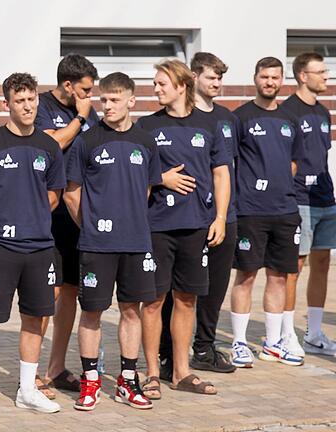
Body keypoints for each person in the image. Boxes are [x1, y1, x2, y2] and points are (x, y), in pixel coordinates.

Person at [0, 72, 64, 420]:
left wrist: (30, 221)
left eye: (32, 99)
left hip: (39, 248)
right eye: (20, 100)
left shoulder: (49, 147)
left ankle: (26, 390)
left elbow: (53, 195)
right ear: (6, 104)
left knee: (36, 318)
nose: (28, 106)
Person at [64, 72, 158, 411]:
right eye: (103, 100)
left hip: (136, 242)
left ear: (131, 101)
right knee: (91, 311)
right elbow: (71, 193)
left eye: (115, 100)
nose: (107, 106)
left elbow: (146, 190)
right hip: (96, 245)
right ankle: (90, 381)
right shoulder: (86, 141)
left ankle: (127, 381)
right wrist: (91, 227)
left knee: (131, 310)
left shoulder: (146, 142)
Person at [137, 59, 230, 398]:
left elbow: (221, 173)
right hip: (156, 227)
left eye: (162, 83)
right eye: (155, 83)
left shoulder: (211, 125)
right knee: (153, 300)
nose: (156, 89)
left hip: (196, 226)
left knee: (187, 299)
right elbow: (134, 175)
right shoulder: (146, 127)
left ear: (181, 86)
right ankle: (149, 373)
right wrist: (161, 178)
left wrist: (219, 217)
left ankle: (181, 371)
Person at [159, 53, 239, 376]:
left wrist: (224, 214)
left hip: (222, 216)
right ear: (192, 79)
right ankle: (168, 353)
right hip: (179, 220)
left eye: (220, 77)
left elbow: (227, 171)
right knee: (174, 292)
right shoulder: (163, 123)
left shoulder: (226, 119)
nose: (217, 83)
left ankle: (203, 347)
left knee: (214, 287)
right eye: (211, 77)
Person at [229, 57, 305, 367]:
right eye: (264, 77)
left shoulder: (289, 119)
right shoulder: (241, 118)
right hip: (251, 211)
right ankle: (238, 343)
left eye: (275, 77)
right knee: (246, 276)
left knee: (279, 277)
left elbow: (293, 161)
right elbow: (228, 164)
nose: (269, 82)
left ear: (282, 80)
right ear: (256, 78)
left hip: (285, 210)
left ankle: (273, 343)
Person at [35, 55, 99, 394]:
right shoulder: (43, 106)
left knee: (71, 291)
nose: (90, 96)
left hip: (80, 213)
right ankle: (32, 371)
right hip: (51, 214)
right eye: (86, 90)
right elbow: (52, 144)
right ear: (68, 85)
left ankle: (56, 369)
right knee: (51, 292)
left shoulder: (89, 111)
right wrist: (80, 117)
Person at [282, 52, 336, 356]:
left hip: (325, 199)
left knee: (323, 263)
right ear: (303, 75)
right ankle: (287, 333)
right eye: (321, 72)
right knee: (294, 266)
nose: (326, 77)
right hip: (299, 199)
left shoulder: (323, 112)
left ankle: (314, 333)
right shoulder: (288, 111)